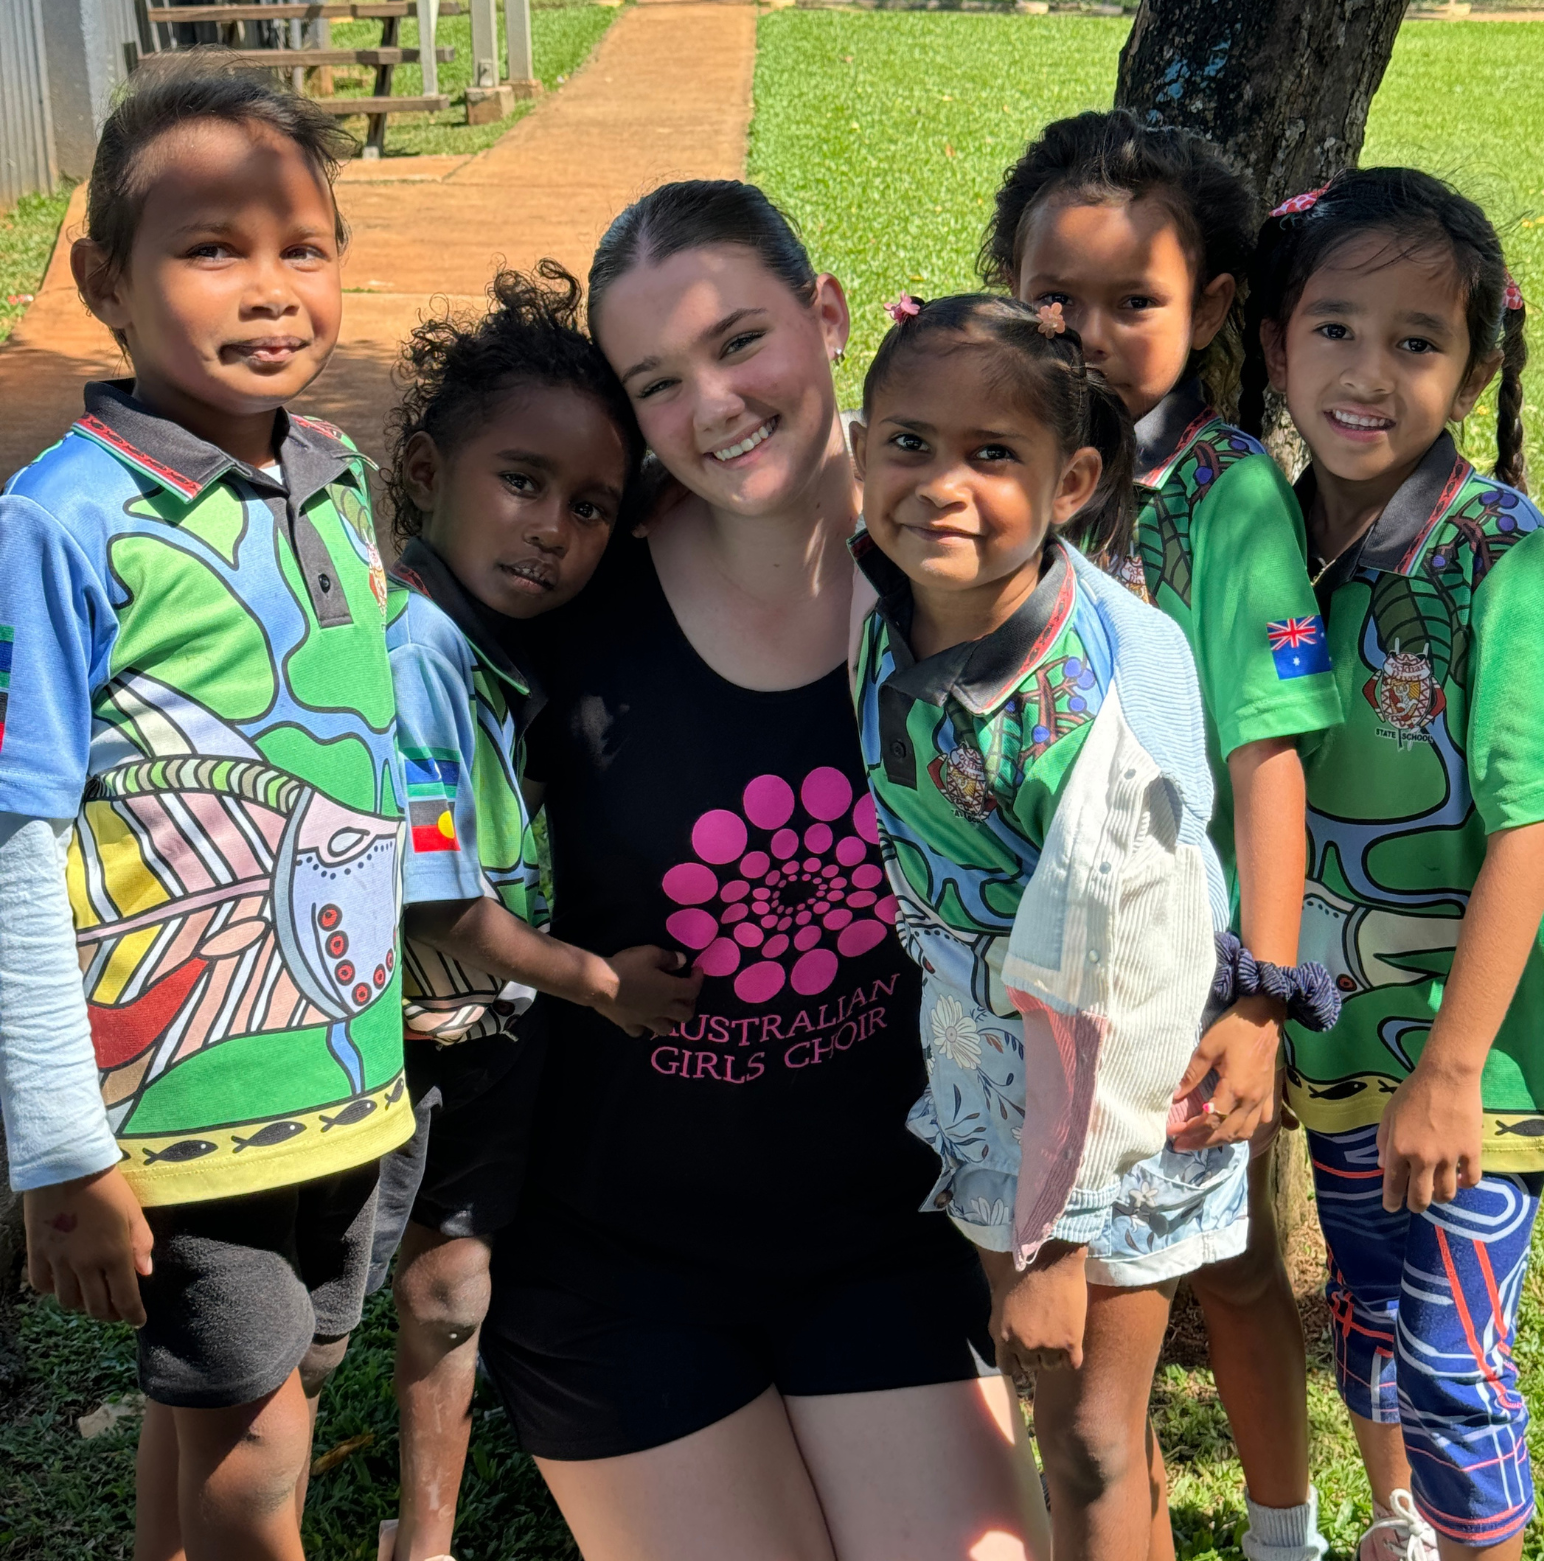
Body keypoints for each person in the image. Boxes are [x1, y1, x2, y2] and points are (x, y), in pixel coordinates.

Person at [479, 181, 1051, 1561]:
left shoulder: (967, 562)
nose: (717, 403)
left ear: (828, 315)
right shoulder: (569, 606)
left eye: (742, 341)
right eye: (658, 383)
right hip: (618, 1258)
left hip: (885, 1228)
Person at [0, 55, 409, 1561]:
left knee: (242, 1386)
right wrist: (57, 1148)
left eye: (303, 247)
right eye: (211, 250)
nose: (270, 291)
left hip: (339, 1068)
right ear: (104, 277)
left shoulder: (336, 469)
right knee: (261, 1437)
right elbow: (16, 838)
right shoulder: (61, 523)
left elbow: (366, 740)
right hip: (178, 1106)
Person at [982, 109, 1347, 1561]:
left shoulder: (1223, 494)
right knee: (1097, 1312)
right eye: (1047, 299)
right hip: (1025, 977)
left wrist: (1259, 997)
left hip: (1185, 978)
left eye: (1130, 301)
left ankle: (1280, 1528)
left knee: (1234, 1266)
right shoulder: (989, 459)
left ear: (1208, 315)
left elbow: (1267, 763)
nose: (1081, 329)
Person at [849, 289, 1239, 1561]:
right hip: (994, 1061)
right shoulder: (896, 606)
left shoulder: (1092, 706)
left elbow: (1123, 986)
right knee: (1078, 1427)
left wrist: (1058, 1238)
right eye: (906, 442)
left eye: (991, 455)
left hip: (1104, 1108)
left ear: (1072, 481)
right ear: (857, 449)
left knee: (1083, 1437)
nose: (939, 486)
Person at [1240, 166, 1544, 1561]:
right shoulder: (1262, 535)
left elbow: (1535, 826)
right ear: (1272, 341)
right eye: (1334, 330)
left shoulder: (1495, 550)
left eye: (1417, 342)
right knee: (1372, 1315)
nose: (1368, 374)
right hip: (1338, 1045)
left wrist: (1450, 1071)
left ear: (1476, 361)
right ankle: (1399, 1527)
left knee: (1450, 1360)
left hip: (1466, 1066)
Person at [368, 263, 701, 1561]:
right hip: (392, 1046)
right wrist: (597, 983)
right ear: (422, 468)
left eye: (589, 507)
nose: (553, 529)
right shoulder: (415, 656)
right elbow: (438, 895)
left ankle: (427, 1538)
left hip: (482, 1045)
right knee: (325, 1321)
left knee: (452, 1289)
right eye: (521, 482)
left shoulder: (494, 638)